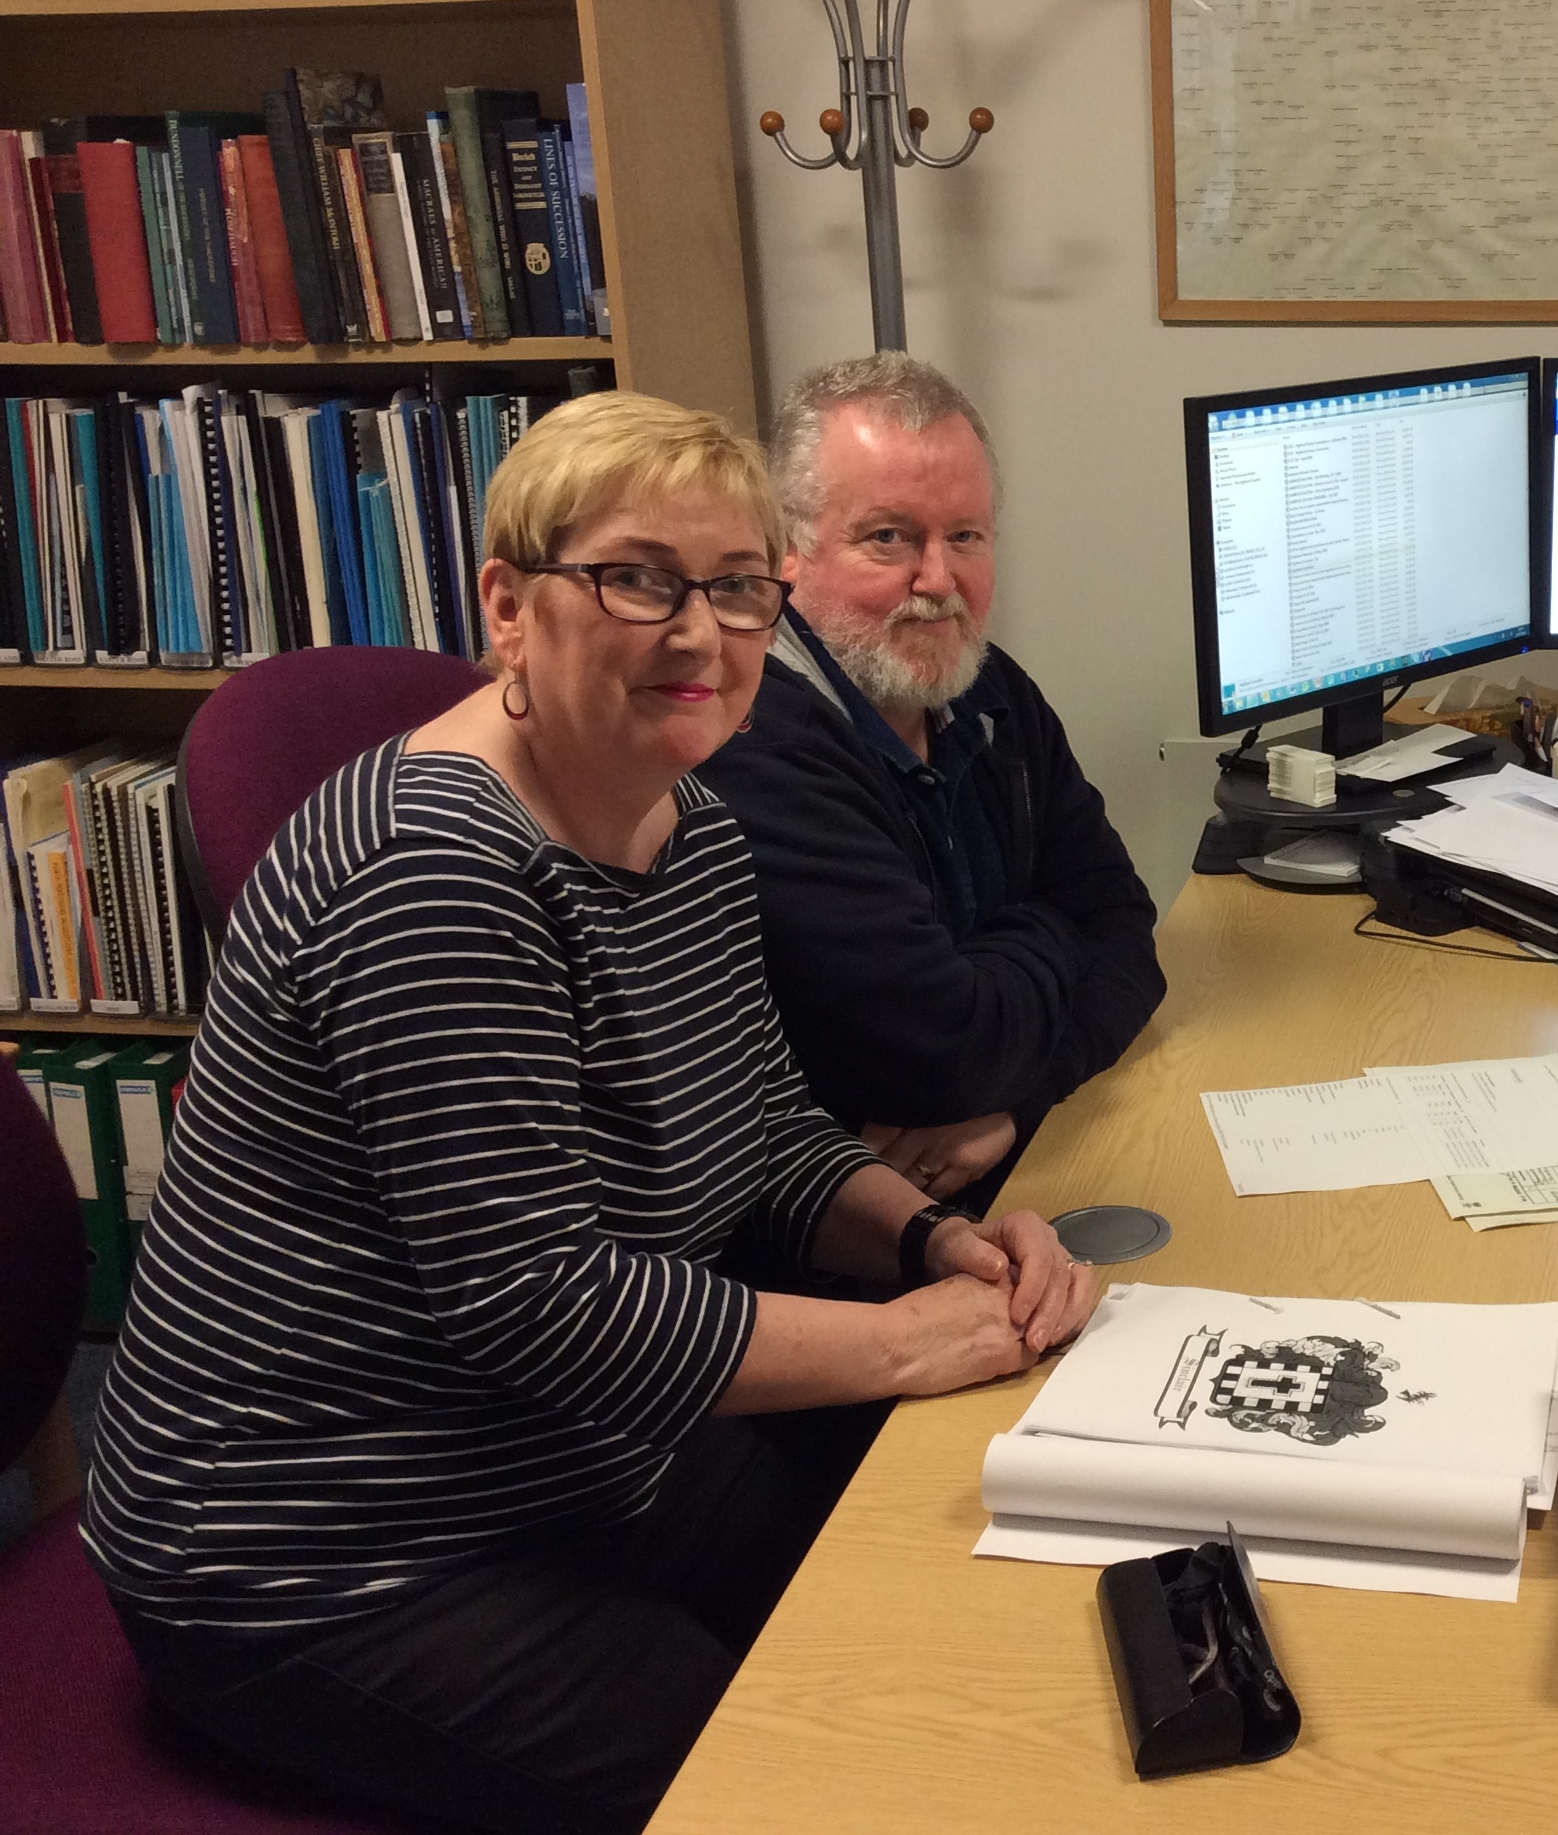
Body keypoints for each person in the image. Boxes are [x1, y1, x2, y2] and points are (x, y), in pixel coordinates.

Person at [82, 391, 1099, 1835]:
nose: (700, 634)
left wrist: (940, 1247)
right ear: (509, 605)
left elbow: (763, 1130)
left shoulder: (689, 824)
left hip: (567, 1456)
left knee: (932, 1617)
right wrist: (892, 1344)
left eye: (739, 589)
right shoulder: (433, 872)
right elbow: (538, 1301)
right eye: (638, 580)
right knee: (805, 1781)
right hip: (328, 1549)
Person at [695, 354, 1164, 1207]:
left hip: (1006, 1172)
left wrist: (1017, 1104)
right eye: (890, 537)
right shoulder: (748, 736)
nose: (939, 583)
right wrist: (1057, 932)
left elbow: (1129, 936)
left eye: (965, 537)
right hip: (837, 1240)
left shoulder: (989, 690)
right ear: (786, 554)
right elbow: (940, 1056)